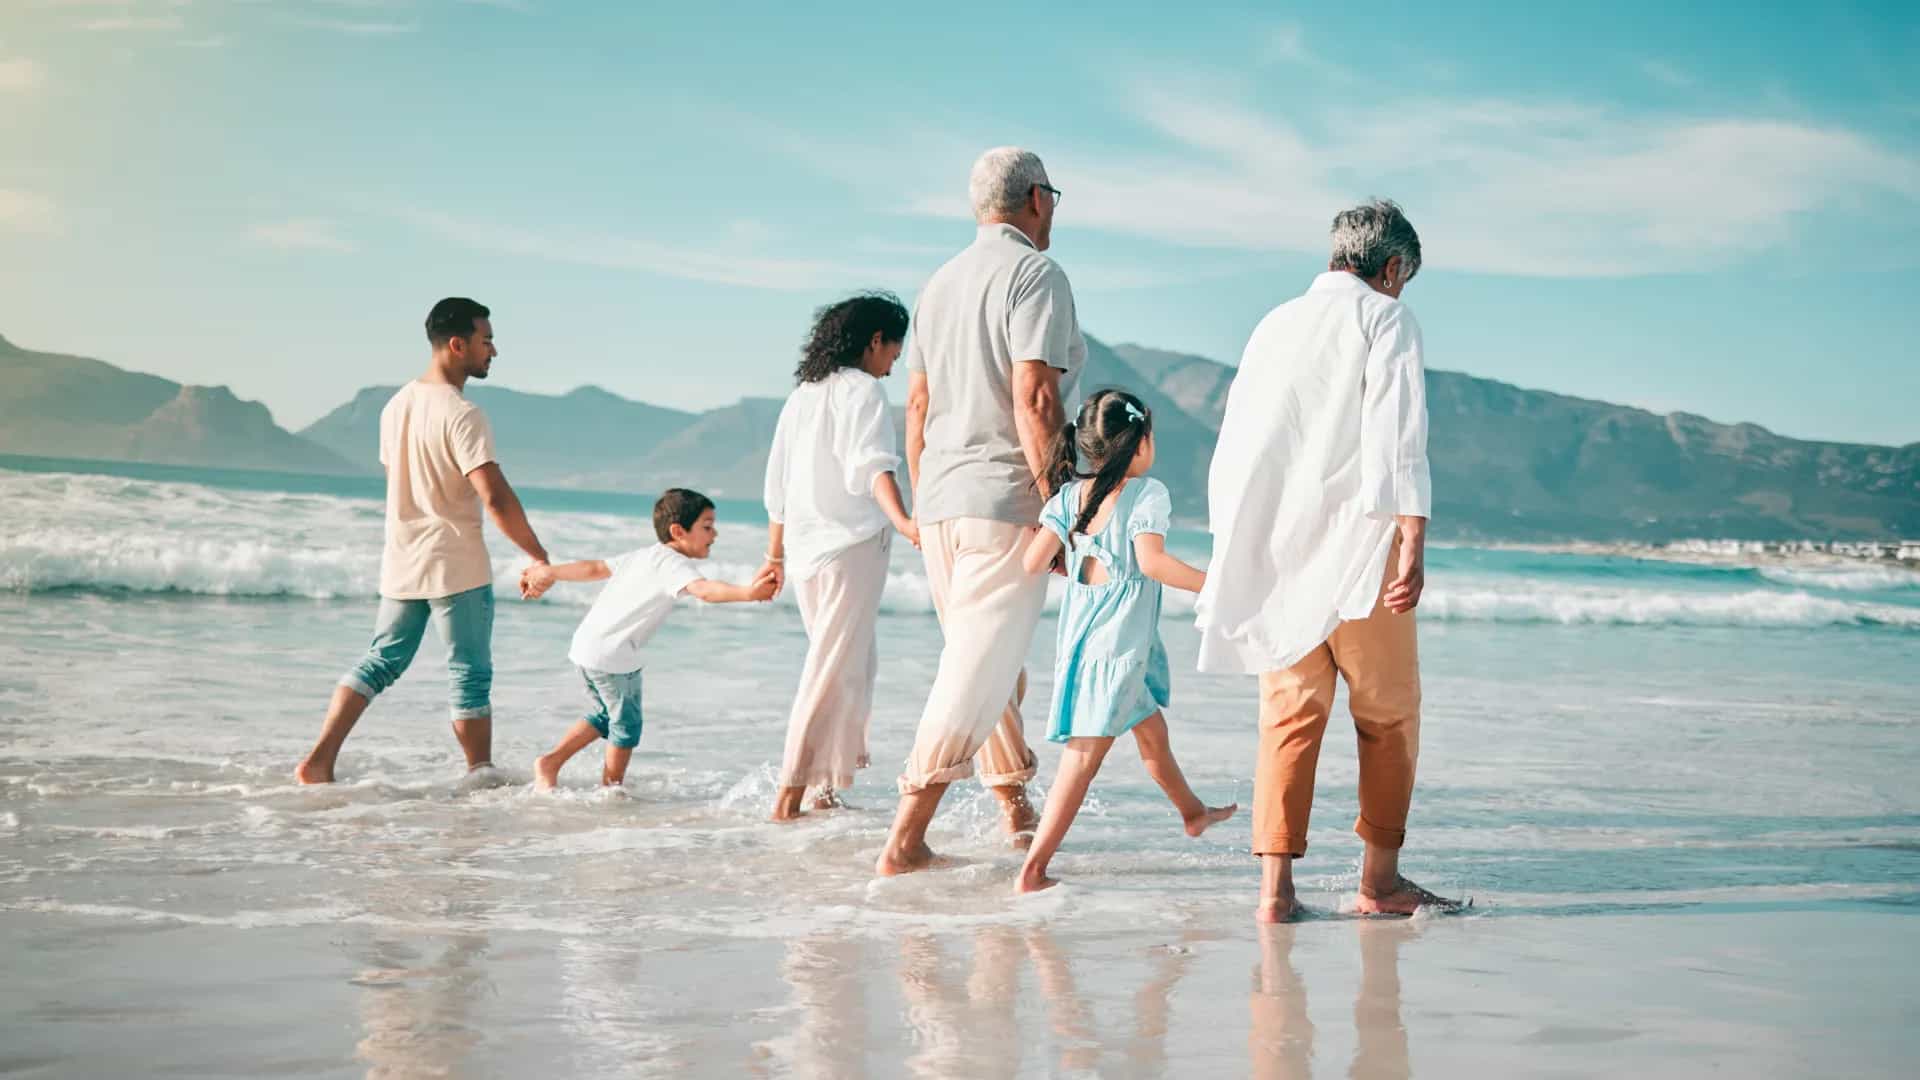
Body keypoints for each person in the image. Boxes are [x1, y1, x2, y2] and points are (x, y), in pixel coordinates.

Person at [1196, 200, 1460, 920]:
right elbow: (1398, 432)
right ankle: (1380, 883)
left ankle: (1275, 893)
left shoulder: (1273, 324)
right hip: (1358, 550)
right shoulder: (1386, 319)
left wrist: (1236, 546)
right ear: (1393, 268)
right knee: (1388, 714)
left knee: (1289, 717)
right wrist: (1413, 538)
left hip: (1275, 551)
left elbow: (1241, 442)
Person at [876, 146, 1086, 875]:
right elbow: (1036, 396)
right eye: (1053, 197)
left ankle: (1014, 810)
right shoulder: (1035, 273)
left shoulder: (938, 284)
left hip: (942, 501)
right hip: (1004, 498)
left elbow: (918, 404)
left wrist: (922, 496)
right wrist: (1061, 506)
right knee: (974, 672)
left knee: (986, 663)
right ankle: (905, 839)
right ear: (1036, 199)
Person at [295, 298, 550, 785]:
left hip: (402, 558)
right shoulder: (463, 413)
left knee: (380, 661)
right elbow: (494, 495)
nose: (493, 351)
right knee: (470, 673)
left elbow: (404, 481)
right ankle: (479, 775)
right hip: (455, 561)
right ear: (457, 345)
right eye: (486, 340)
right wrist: (537, 555)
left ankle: (320, 759)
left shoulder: (396, 407)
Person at [1012, 390, 1236, 894]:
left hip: (1083, 643)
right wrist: (1216, 585)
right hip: (1117, 649)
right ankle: (1033, 870)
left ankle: (1193, 813)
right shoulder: (1147, 493)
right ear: (1139, 442)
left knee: (1151, 731)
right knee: (1081, 760)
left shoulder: (1068, 497)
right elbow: (1153, 563)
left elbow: (1032, 562)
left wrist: (1074, 555)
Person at [760, 293, 921, 822]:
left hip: (806, 552)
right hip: (851, 547)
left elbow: (778, 485)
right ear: (875, 340)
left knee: (853, 663)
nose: (894, 363)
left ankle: (825, 790)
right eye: (894, 349)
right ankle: (789, 797)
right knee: (832, 669)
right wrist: (903, 520)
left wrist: (774, 556)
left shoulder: (802, 396)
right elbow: (874, 466)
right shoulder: (865, 391)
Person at [521, 489, 778, 789]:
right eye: (707, 527)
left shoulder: (642, 556)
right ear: (678, 531)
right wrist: (748, 593)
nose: (715, 534)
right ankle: (612, 789)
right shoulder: (674, 564)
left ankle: (551, 763)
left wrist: (550, 572)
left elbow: (594, 568)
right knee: (626, 727)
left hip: (586, 647)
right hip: (614, 656)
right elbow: (705, 591)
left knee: (606, 715)